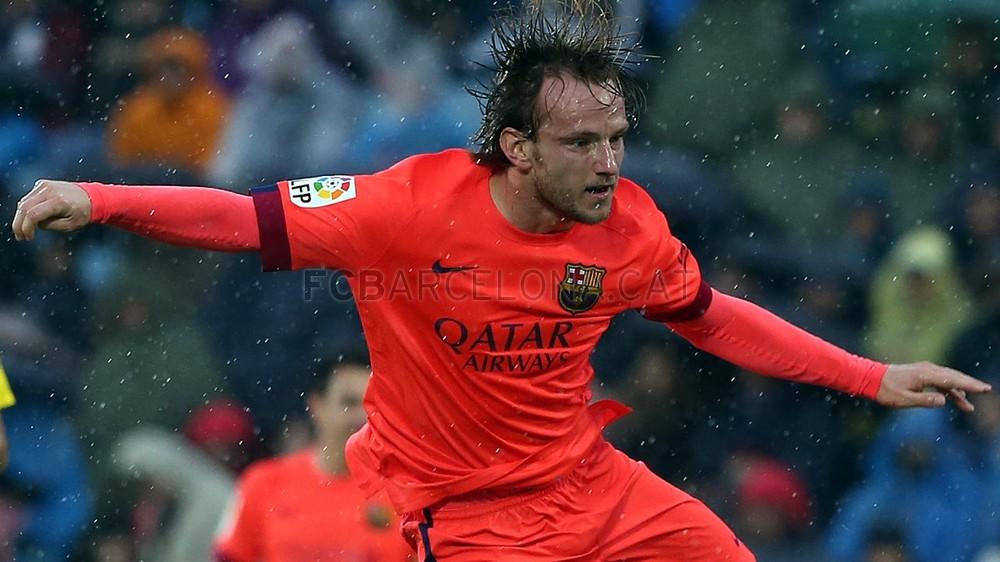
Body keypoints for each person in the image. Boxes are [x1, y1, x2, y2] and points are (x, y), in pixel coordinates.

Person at [10, 2, 991, 560]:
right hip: (468, 518)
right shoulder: (402, 209)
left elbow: (714, 318)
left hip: (592, 484)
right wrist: (98, 197)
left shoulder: (629, 226)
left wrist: (870, 375)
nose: (609, 163)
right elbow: (241, 216)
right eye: (583, 143)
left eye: (617, 137)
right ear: (517, 148)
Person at [212, 351, 413, 562]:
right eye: (350, 403)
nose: (362, 416)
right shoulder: (263, 484)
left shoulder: (404, 496)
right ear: (317, 405)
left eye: (372, 405)